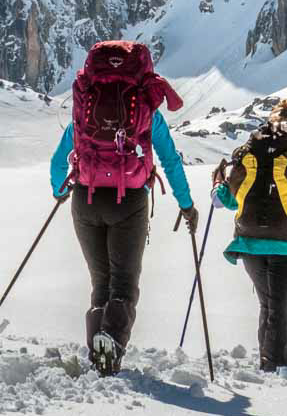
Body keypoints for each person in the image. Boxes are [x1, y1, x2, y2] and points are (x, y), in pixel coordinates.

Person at [49, 39, 196, 376]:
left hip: (85, 200)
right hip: (129, 201)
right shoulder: (146, 110)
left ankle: (98, 353)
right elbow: (171, 161)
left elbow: (58, 161)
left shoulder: (85, 108)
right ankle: (111, 344)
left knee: (101, 281)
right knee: (124, 282)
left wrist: (60, 190)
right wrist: (186, 205)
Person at [209, 99, 287, 372]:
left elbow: (227, 201)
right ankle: (275, 369)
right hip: (286, 244)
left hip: (249, 242)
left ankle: (267, 365)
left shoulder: (248, 154)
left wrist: (218, 183)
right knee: (279, 309)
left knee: (267, 305)